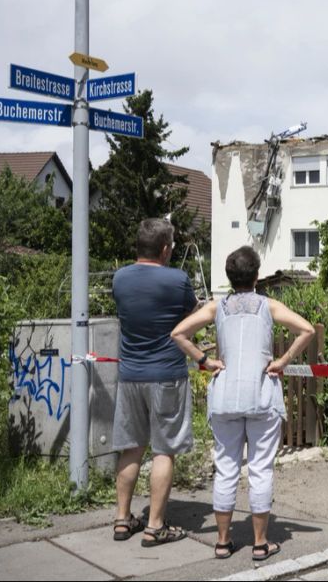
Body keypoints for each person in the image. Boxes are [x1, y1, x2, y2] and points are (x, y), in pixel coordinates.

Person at [171, 246, 315, 560]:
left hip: (225, 396)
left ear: (229, 275)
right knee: (260, 469)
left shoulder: (216, 307)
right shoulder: (268, 305)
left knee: (226, 469)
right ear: (257, 275)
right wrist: (283, 360)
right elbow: (307, 329)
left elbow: (179, 333)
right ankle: (260, 543)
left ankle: (223, 541)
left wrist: (204, 360)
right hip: (261, 393)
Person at [111, 218, 200, 547]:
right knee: (163, 450)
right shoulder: (177, 280)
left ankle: (122, 520)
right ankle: (155, 526)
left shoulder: (119, 278)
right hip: (166, 375)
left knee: (131, 447)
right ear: (165, 249)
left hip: (130, 374)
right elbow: (193, 318)